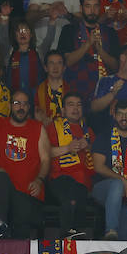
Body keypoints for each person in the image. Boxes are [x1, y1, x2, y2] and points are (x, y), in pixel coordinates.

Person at [0, 89, 50, 239]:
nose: (21, 107)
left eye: (25, 104)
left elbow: (46, 159)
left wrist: (39, 180)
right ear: (10, 105)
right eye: (17, 103)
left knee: (21, 234)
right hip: (3, 192)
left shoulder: (38, 128)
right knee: (0, 178)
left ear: (29, 107)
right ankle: (1, 225)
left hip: (27, 193)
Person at [91, 99, 127, 240]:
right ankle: (111, 230)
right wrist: (122, 180)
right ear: (114, 115)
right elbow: (98, 166)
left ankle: (112, 245)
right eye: (120, 114)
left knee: (125, 232)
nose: (124, 118)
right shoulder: (103, 137)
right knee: (117, 185)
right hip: (102, 189)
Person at [44, 92, 96, 241]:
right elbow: (45, 152)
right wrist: (67, 148)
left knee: (78, 190)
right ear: (63, 111)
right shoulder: (53, 127)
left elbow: (99, 157)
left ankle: (74, 234)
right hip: (59, 178)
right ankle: (69, 232)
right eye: (71, 105)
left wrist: (89, 147)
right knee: (72, 194)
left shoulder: (88, 131)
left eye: (79, 105)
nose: (75, 108)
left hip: (84, 180)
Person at [58, 0, 119, 100]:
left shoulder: (110, 32)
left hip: (105, 93)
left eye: (95, 6)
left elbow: (115, 66)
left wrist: (100, 50)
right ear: (81, 8)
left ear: (100, 7)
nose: (92, 11)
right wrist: (88, 44)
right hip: (76, 92)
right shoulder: (69, 30)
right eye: (88, 6)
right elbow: (67, 62)